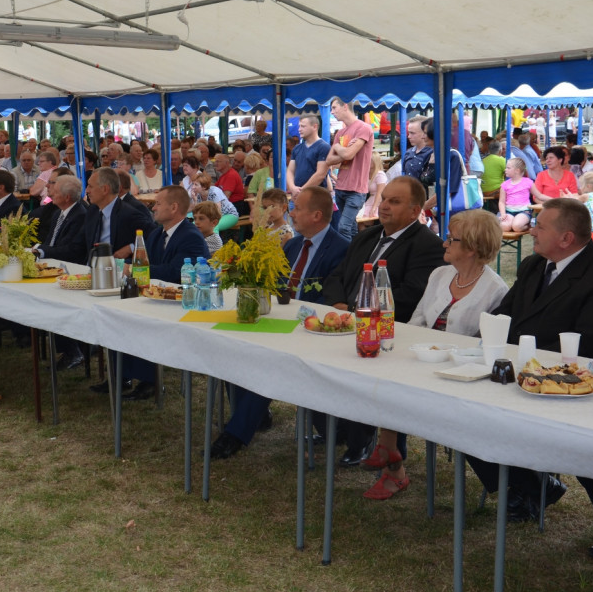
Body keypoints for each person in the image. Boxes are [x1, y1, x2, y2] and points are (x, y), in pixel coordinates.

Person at [467, 198, 593, 522]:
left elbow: (588, 348)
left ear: (566, 238)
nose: (531, 230)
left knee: (582, 446)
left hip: (569, 387)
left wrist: (525, 368)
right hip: (518, 374)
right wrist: (483, 348)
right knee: (459, 409)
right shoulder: (534, 265)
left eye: (540, 226)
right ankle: (529, 485)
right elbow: (506, 316)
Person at [362, 210, 507, 500]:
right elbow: (417, 321)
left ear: (472, 248)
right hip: (423, 358)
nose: (444, 244)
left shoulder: (495, 289)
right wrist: (409, 349)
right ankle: (390, 454)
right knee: (382, 373)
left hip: (457, 371)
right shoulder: (440, 275)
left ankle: (391, 459)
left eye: (451, 239)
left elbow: (483, 343)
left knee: (399, 382)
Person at [210, 187, 349, 459]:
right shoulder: (295, 244)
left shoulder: (342, 249)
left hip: (311, 330)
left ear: (317, 215)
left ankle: (235, 433)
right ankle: (253, 415)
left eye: (297, 208)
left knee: (269, 364)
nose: (292, 213)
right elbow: (275, 284)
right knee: (234, 346)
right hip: (277, 321)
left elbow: (331, 298)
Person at [319, 177, 445, 465]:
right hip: (346, 325)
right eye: (384, 198)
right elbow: (337, 277)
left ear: (415, 211)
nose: (384, 205)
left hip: (388, 336)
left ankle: (362, 442)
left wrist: (354, 311)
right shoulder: (366, 236)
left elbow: (410, 295)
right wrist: (343, 309)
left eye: (394, 201)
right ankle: (335, 431)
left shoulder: (427, 245)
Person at [113, 185, 210, 401]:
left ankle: (149, 381)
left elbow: (176, 272)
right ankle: (123, 375)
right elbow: (143, 262)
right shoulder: (157, 234)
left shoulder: (191, 236)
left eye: (158, 203)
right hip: (156, 297)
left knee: (140, 321)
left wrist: (134, 269)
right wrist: (126, 265)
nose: (153, 207)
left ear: (174, 207)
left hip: (182, 303)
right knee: (117, 314)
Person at [325, 98, 374, 242]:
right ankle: (356, 258)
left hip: (356, 189)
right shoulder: (340, 132)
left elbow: (348, 154)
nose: (332, 112)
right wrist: (342, 150)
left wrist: (337, 148)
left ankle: (347, 259)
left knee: (343, 227)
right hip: (341, 187)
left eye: (334, 108)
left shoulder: (363, 128)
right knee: (351, 228)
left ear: (345, 106)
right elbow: (329, 160)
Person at [80, 167, 153, 260]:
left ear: (105, 189)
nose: (87, 191)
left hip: (116, 269)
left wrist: (131, 248)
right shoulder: (92, 211)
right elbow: (81, 244)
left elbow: (155, 237)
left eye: (90, 186)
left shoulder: (129, 214)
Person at [33, 175, 88, 264]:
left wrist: (41, 250)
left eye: (56, 192)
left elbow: (69, 249)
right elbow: (50, 241)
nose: (52, 194)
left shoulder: (80, 216)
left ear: (67, 197)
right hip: (50, 261)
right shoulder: (58, 213)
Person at [286, 115, 330, 200]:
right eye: (299, 126)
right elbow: (290, 171)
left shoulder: (323, 147)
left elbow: (320, 174)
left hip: (315, 198)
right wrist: (292, 188)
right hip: (297, 197)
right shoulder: (297, 148)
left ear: (315, 127)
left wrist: (302, 191)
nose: (299, 129)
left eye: (303, 126)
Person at [498, 158, 533, 232]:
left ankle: (527, 225)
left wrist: (550, 199)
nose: (505, 170)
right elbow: (501, 201)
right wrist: (503, 213)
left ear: (517, 170)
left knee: (516, 226)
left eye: (508, 168)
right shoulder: (504, 185)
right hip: (509, 211)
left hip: (524, 211)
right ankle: (514, 222)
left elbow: (538, 195)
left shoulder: (528, 182)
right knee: (504, 227)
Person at [358, 153, 387, 219]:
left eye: (369, 160)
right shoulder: (367, 174)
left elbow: (380, 193)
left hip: (378, 202)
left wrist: (374, 208)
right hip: (370, 200)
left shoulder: (380, 174)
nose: (366, 161)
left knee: (364, 220)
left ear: (375, 162)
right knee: (360, 221)